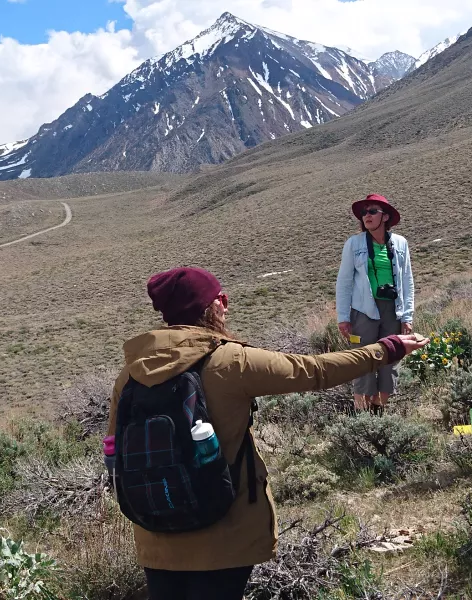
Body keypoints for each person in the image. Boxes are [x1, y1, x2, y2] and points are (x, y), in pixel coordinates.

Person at [109, 267, 426, 600]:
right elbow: (315, 371)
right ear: (219, 303)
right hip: (223, 534)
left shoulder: (129, 374)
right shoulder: (231, 362)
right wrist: (386, 349)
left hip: (154, 533)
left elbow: (112, 449)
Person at [335, 194, 416, 415]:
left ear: (385, 216)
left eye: (372, 211)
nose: (367, 216)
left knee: (391, 360)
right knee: (362, 362)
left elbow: (407, 280)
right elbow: (344, 281)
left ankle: (379, 412)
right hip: (362, 311)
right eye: (364, 213)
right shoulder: (354, 244)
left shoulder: (400, 243)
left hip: (393, 311)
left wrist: (407, 316)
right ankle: (362, 417)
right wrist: (343, 317)